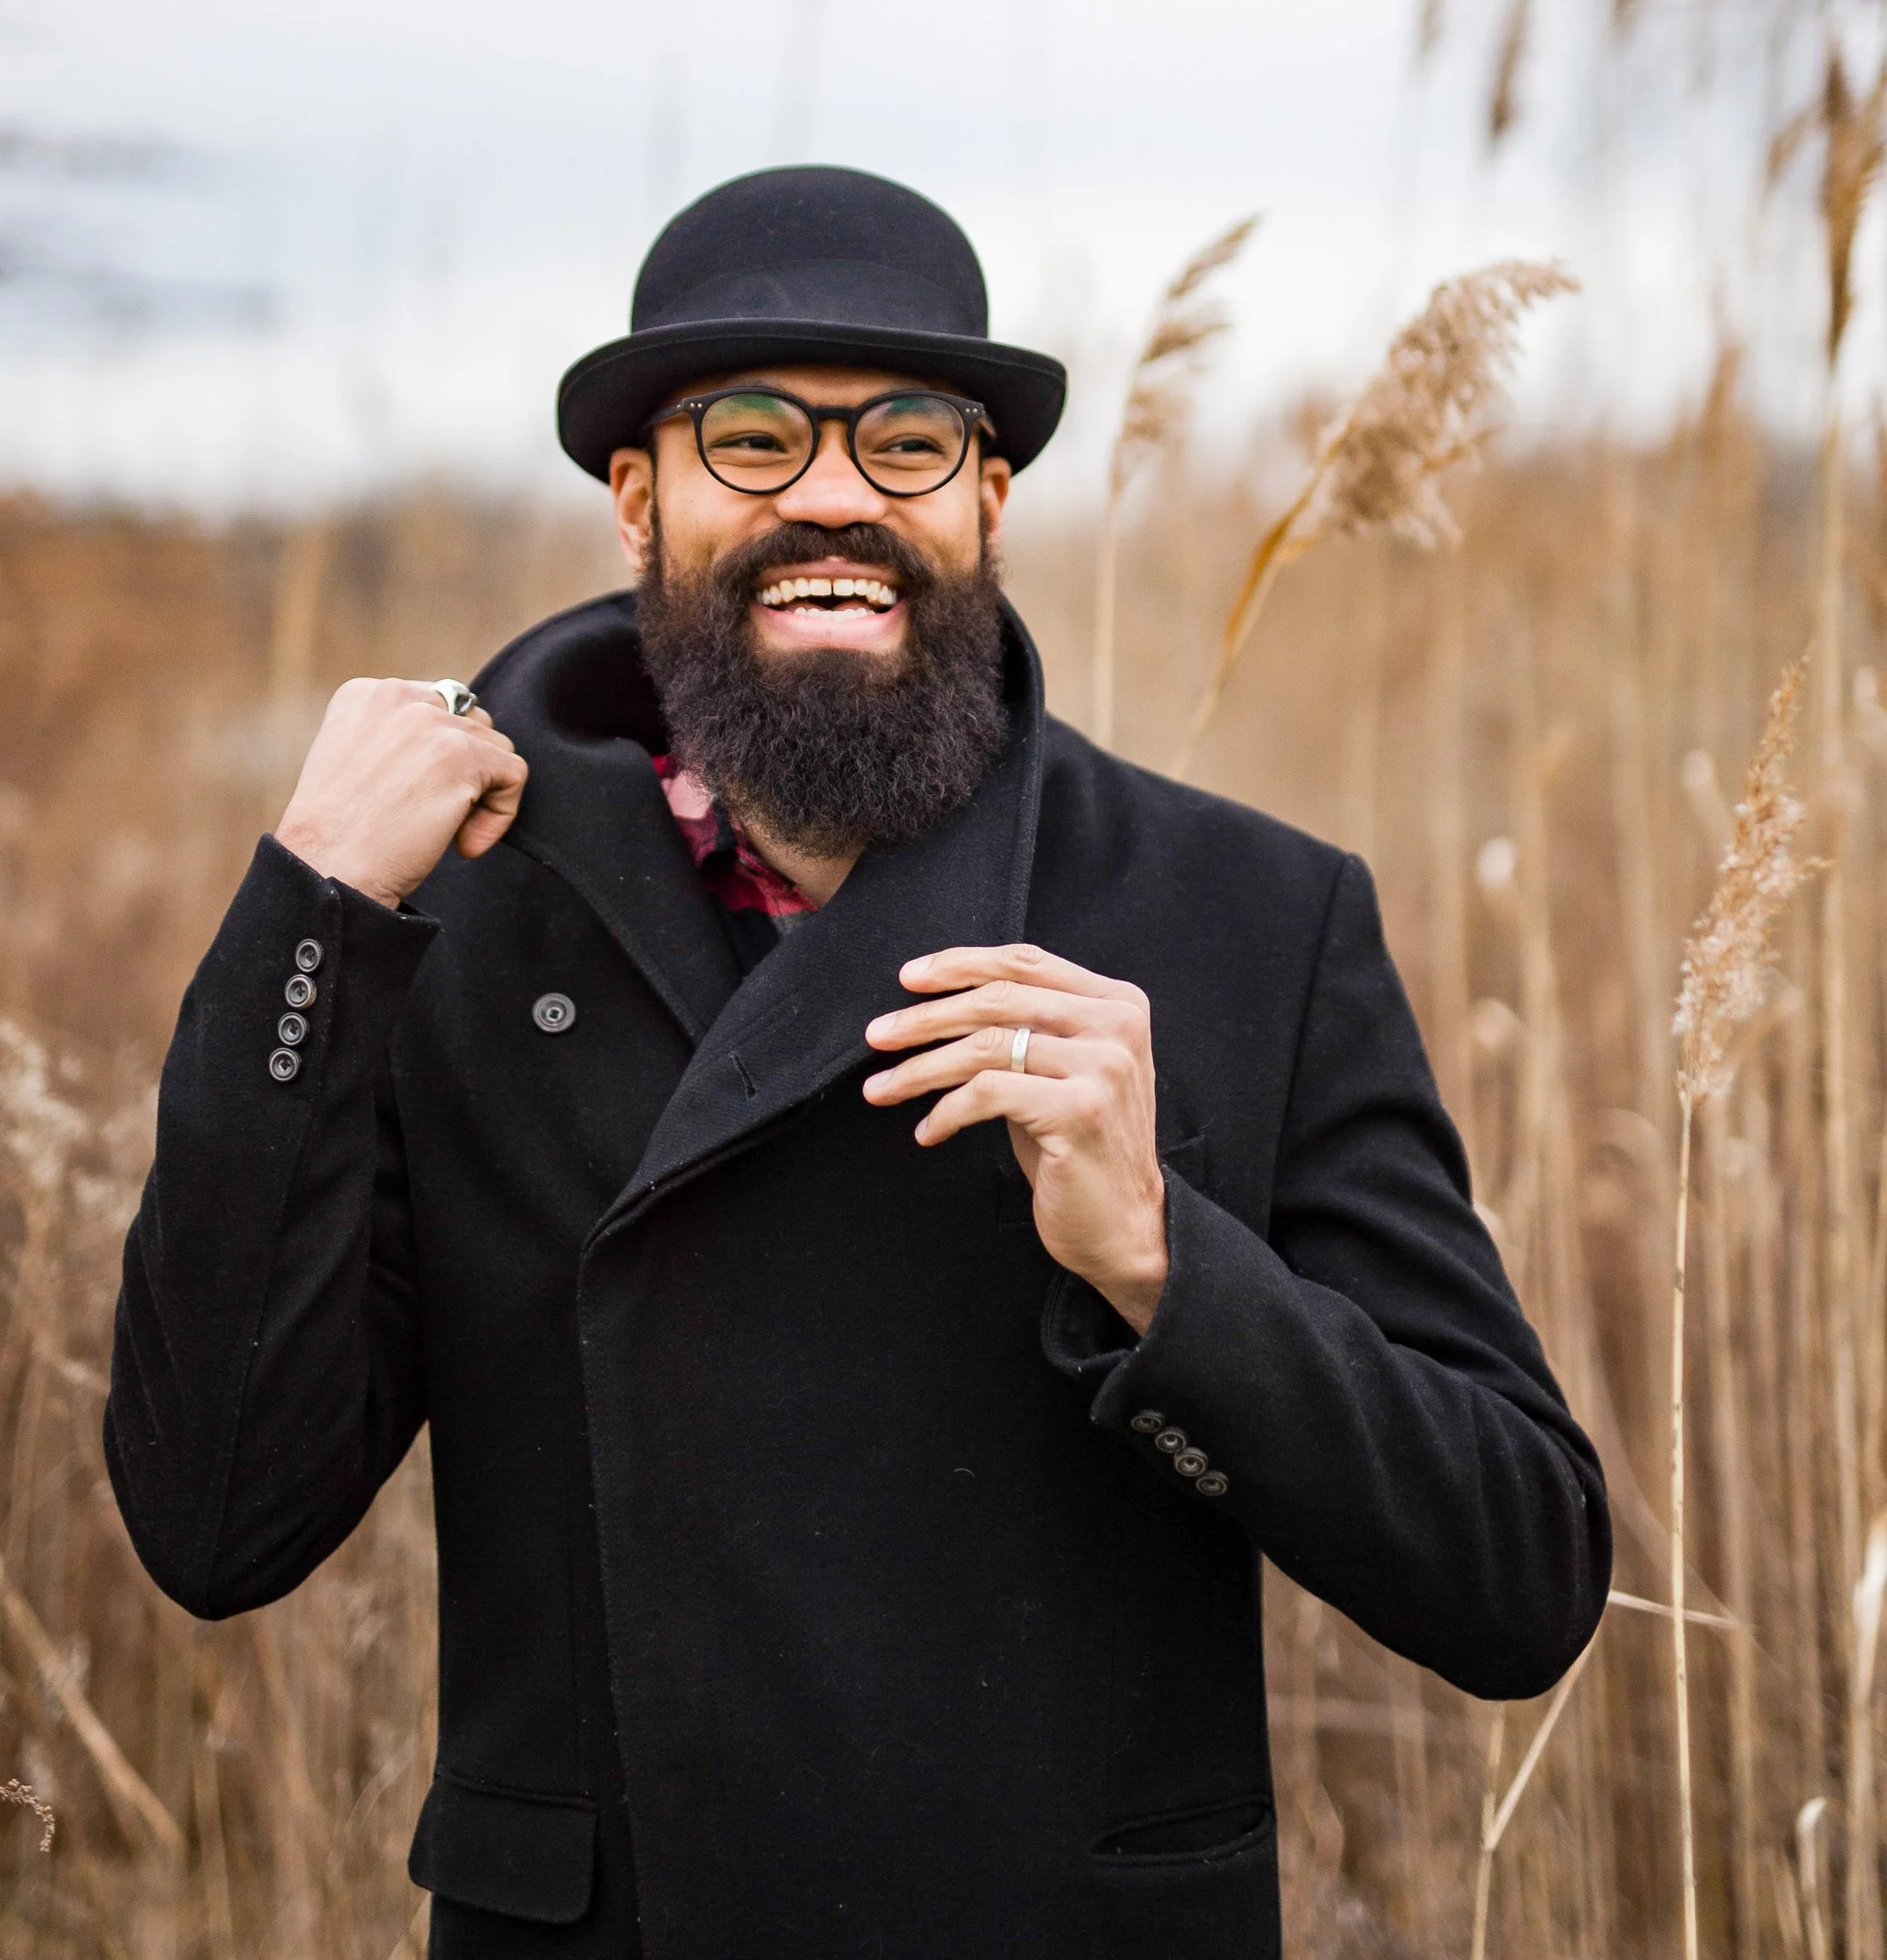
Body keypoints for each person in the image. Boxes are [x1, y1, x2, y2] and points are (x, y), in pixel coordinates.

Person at [106, 165, 1609, 1958]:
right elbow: (217, 1526)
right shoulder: (453, 917)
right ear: (636, 499)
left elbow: (1518, 1575)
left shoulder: (1248, 917)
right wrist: (307, 913)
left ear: (986, 497)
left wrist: (1161, 1261)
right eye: (750, 436)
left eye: (906, 439)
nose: (832, 494)